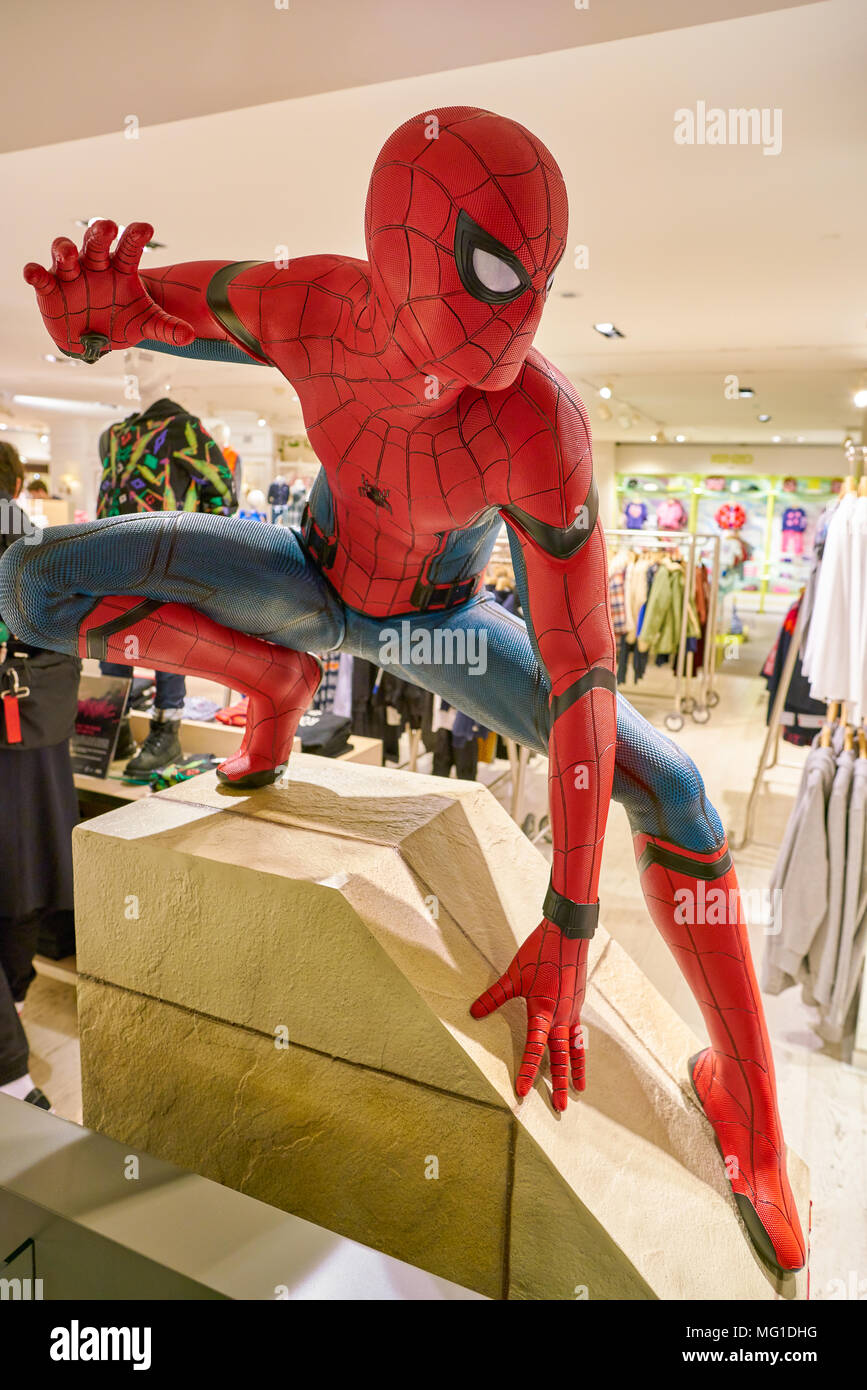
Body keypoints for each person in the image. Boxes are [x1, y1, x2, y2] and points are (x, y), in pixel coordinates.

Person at [1, 106, 803, 1272]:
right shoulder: (312, 306)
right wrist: (89, 319)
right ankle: (267, 681)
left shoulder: (541, 426)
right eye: (489, 275)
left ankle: (754, 1112)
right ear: (397, 253)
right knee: (32, 580)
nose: (517, 324)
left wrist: (571, 919)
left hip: (446, 630)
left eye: (538, 284)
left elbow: (580, 675)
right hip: (305, 578)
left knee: (678, 792)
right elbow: (150, 310)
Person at [0, 441, 80, 1112]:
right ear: (20, 481)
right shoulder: (39, 543)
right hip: (36, 726)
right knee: (27, 872)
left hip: (12, 720)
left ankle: (9, 1058)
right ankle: (19, 999)